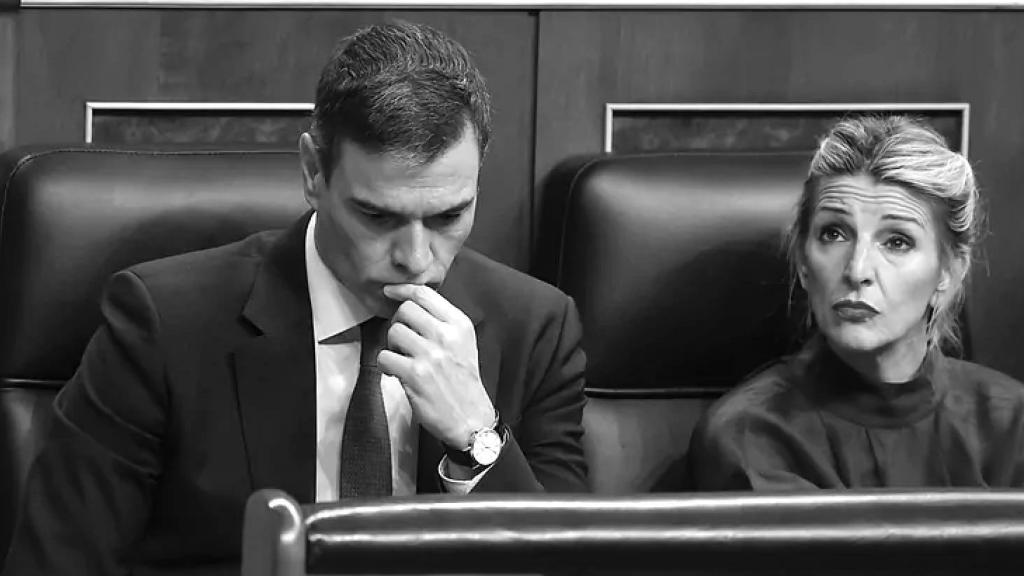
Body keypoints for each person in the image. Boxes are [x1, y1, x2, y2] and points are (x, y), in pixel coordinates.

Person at [3, 21, 587, 575]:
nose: (415, 257)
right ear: (313, 172)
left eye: (448, 215)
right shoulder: (164, 324)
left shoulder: (535, 326)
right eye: (377, 215)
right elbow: (58, 561)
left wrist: (477, 438)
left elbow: (574, 566)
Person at [688, 115, 1024, 490]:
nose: (857, 269)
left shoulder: (1011, 421)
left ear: (949, 272)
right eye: (834, 233)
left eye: (897, 241)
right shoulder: (750, 435)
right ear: (802, 262)